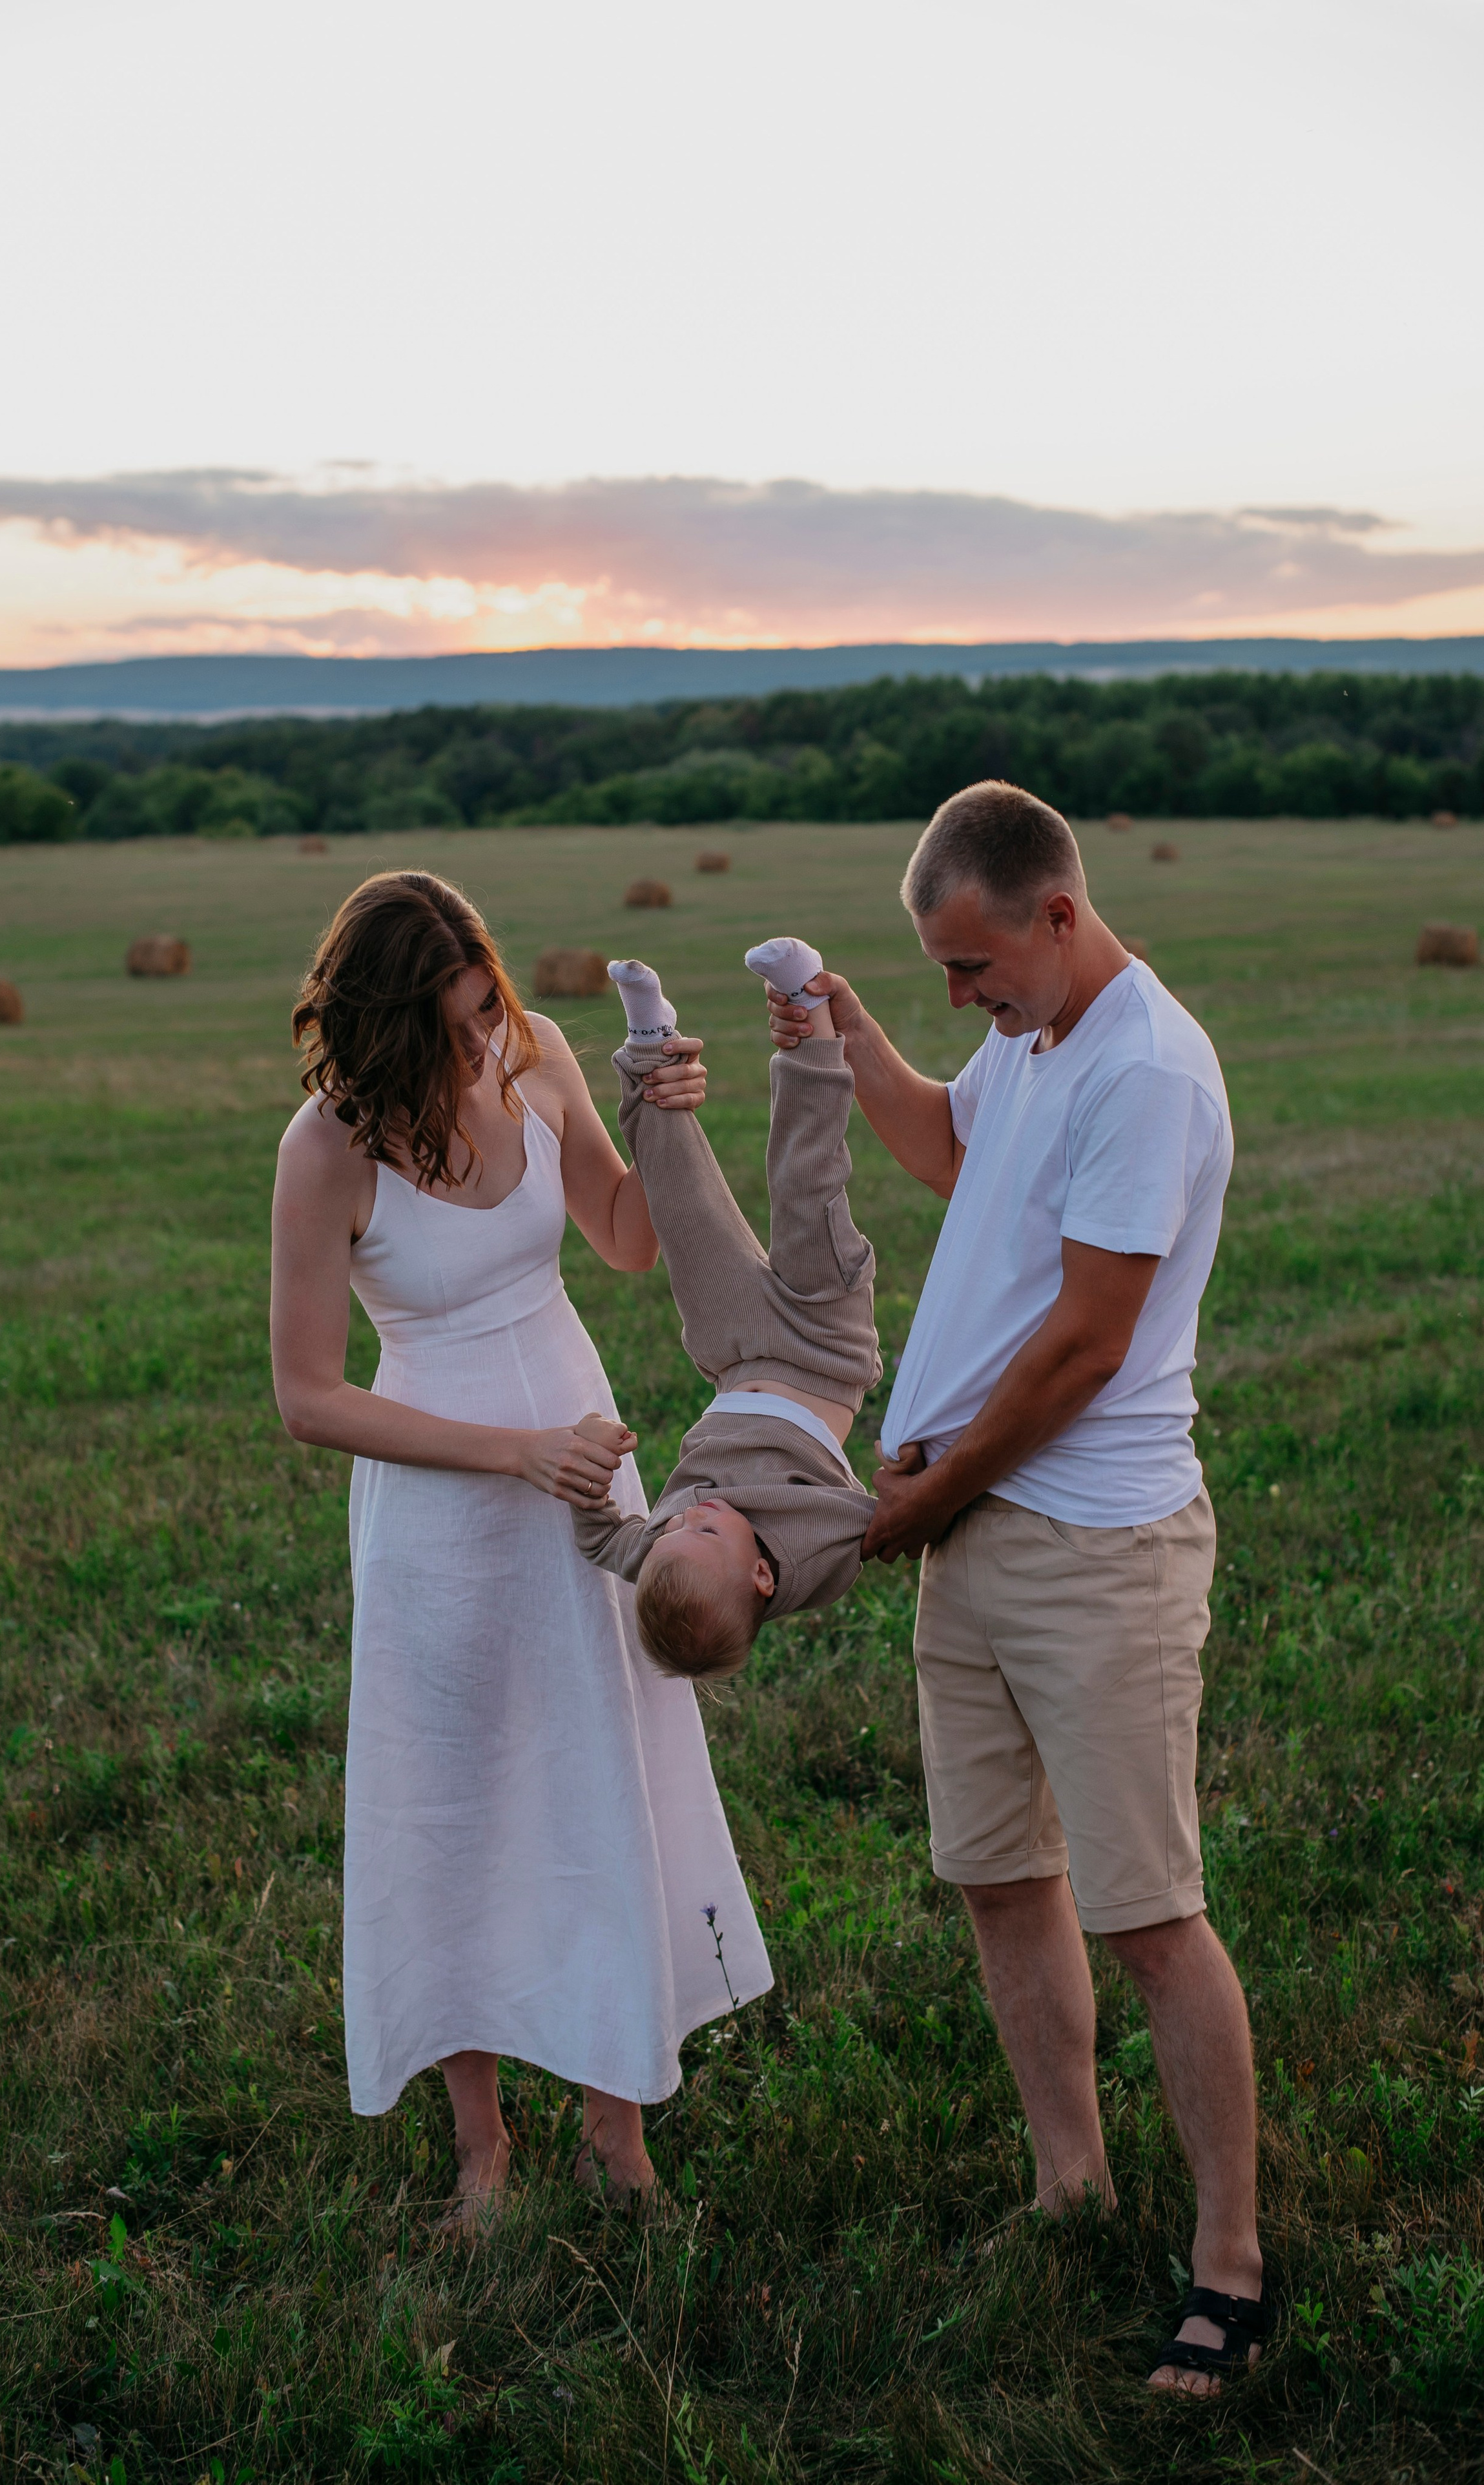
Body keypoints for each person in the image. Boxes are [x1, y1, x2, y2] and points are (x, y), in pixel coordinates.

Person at [768, 783, 1262, 2397]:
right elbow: (942, 1138)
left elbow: (1081, 1345)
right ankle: (1069, 2183)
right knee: (997, 1875)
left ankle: (1227, 2262)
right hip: (969, 1527)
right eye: (936, 974)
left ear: (1055, 913)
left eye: (971, 969)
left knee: (1145, 1911)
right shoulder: (1035, 1040)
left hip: (1086, 1546)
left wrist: (920, 1504)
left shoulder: (1143, 1067)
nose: (958, 999)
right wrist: (841, 1025)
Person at [271, 870, 770, 2234]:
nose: (482, 1036)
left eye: (487, 1002)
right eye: (451, 1021)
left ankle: (620, 2131)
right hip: (441, 1511)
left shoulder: (535, 1053)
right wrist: (509, 1454)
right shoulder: (328, 1149)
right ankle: (481, 2149)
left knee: (596, 1770)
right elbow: (309, 1397)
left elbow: (617, 1241)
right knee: (457, 1802)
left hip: (587, 1475)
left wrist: (660, 1131)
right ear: (380, 1029)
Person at [570, 942, 879, 1678]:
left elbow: (597, 1536)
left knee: (679, 1210)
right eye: (706, 1535)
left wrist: (587, 1470)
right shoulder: (820, 1554)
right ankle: (810, 1018)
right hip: (822, 1345)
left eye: (670, 1527)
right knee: (805, 1184)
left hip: (733, 1353)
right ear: (762, 1578)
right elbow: (890, 1518)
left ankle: (651, 1048)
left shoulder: (657, 1549)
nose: (687, 1516)